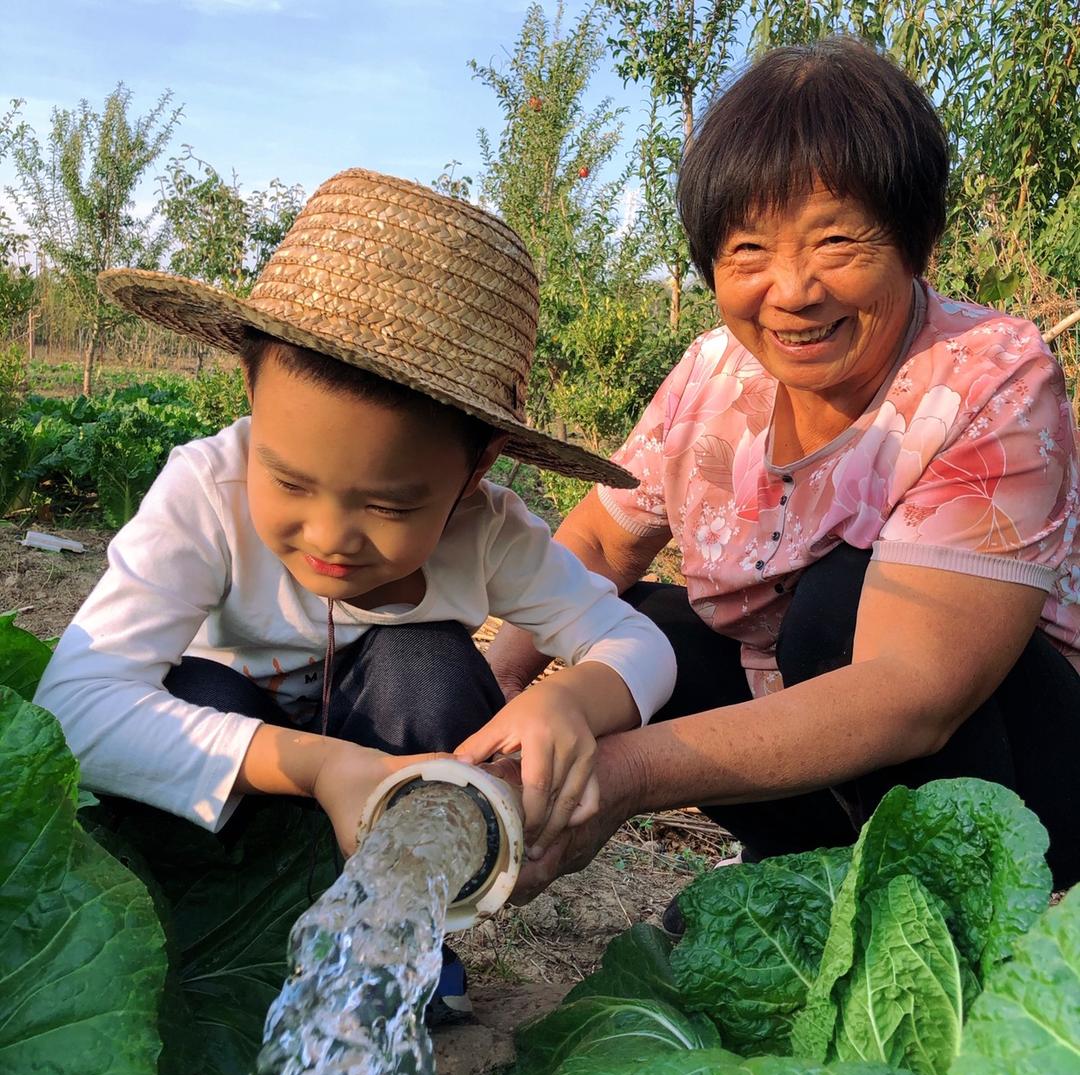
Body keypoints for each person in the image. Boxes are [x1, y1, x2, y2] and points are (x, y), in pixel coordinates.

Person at [33, 168, 676, 1015]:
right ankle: (211, 930)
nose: (330, 536)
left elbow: (644, 644)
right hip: (244, 782)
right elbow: (76, 708)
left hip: (385, 801)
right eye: (288, 480)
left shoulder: (487, 531)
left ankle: (398, 941)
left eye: (389, 504)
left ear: (474, 470)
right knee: (190, 689)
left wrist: (575, 702)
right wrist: (317, 764)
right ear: (251, 401)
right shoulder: (203, 493)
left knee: (431, 669)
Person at [487, 36, 1080, 899]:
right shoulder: (712, 375)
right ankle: (806, 877)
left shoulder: (988, 375)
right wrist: (494, 697)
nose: (794, 291)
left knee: (832, 611)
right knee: (652, 633)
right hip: (825, 760)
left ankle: (964, 912)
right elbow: (597, 548)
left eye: (836, 242)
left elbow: (917, 690)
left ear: (916, 240)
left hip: (1020, 781)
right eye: (748, 252)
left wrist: (620, 776)